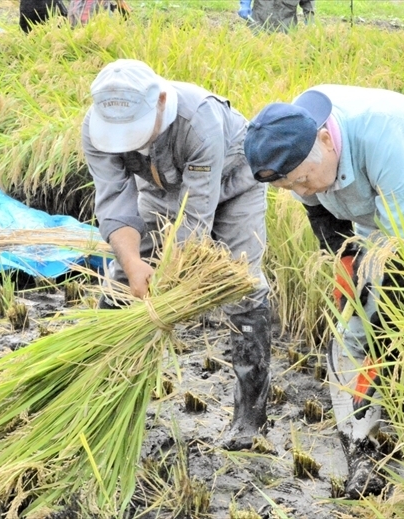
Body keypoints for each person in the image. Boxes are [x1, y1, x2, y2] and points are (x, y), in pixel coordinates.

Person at [244, 85, 404, 499]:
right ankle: (367, 432)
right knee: (355, 320)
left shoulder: (384, 134)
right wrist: (348, 276)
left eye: (304, 180)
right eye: (289, 186)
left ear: (326, 140)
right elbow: (330, 223)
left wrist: (383, 327)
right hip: (379, 210)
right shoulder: (296, 142)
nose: (302, 191)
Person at [82, 59, 272, 452]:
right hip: (160, 187)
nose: (126, 142)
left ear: (160, 103)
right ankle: (101, 393)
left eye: (132, 131)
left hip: (233, 184)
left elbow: (195, 221)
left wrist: (172, 295)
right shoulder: (96, 129)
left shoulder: (197, 120)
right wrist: (134, 264)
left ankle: (249, 419)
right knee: (122, 279)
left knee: (243, 285)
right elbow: (115, 203)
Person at [249, 0, 315, 33]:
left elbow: (308, 3)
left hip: (286, 29)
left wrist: (309, 21)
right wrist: (245, 3)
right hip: (259, 24)